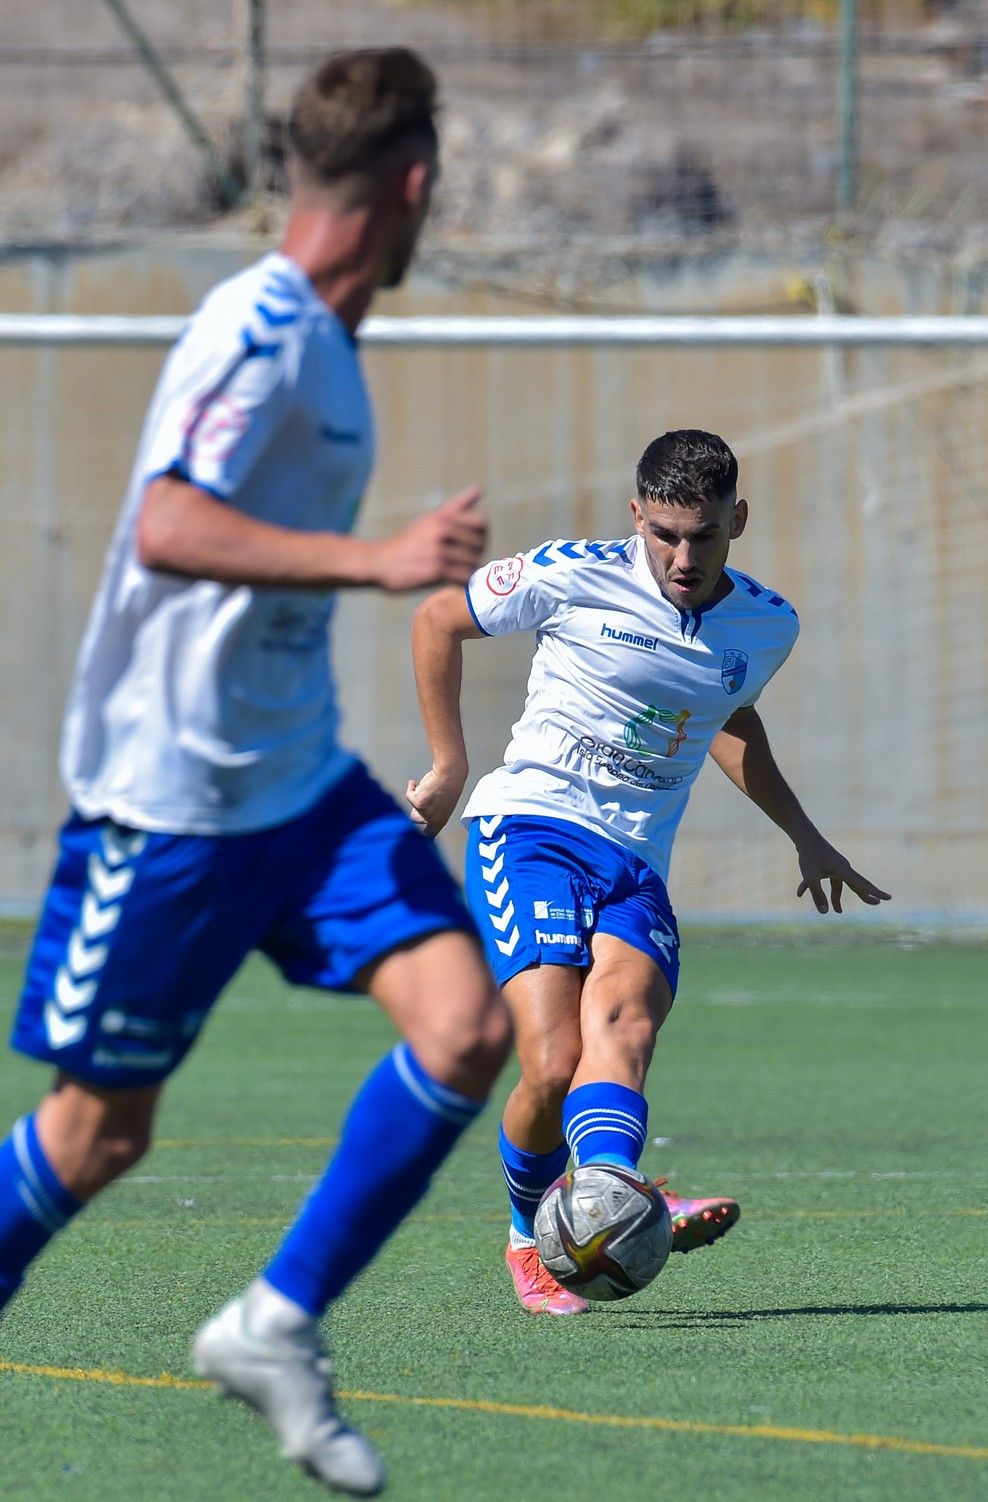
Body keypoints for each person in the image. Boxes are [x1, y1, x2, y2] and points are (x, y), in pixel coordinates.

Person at [0, 48, 511, 1496]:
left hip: (294, 784)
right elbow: (166, 520)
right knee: (98, 1135)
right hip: (168, 804)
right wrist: (380, 560)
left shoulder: (332, 349)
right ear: (409, 185)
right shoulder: (262, 330)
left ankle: (273, 1324)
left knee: (468, 1026)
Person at [407, 428, 891, 1316]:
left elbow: (727, 719)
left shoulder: (766, 622)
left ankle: (611, 1195)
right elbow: (438, 616)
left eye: (703, 536)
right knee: (553, 1064)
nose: (681, 555)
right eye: (663, 533)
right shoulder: (570, 573)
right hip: (532, 830)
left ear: (736, 521)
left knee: (623, 1030)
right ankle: (531, 1239)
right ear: (637, 516)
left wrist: (804, 833)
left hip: (636, 862)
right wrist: (447, 767)